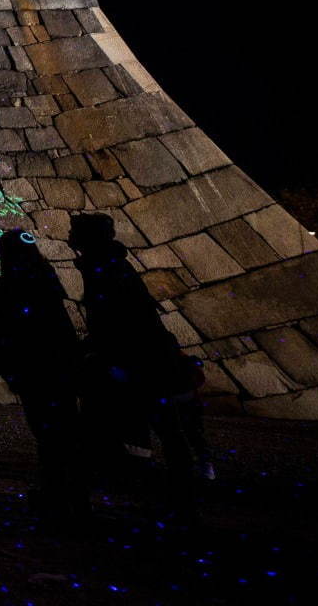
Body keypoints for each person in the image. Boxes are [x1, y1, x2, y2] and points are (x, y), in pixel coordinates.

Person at [71, 212, 211, 511]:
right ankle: (174, 488)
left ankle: (176, 490)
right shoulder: (107, 266)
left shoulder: (106, 270)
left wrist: (108, 356)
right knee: (160, 425)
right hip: (137, 359)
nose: (70, 237)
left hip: (136, 362)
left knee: (157, 423)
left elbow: (123, 319)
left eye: (76, 232)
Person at [0, 229, 88, 528]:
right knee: (66, 432)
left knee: (48, 433)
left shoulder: (12, 283)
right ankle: (75, 498)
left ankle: (56, 496)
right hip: (59, 366)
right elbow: (60, 323)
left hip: (34, 368)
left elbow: (8, 325)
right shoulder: (47, 277)